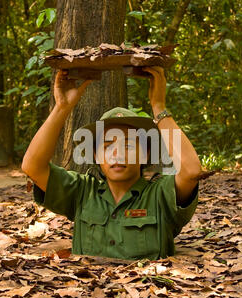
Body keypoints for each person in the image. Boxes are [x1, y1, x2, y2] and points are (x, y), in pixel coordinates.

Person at [21, 66, 203, 260]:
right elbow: (32, 166)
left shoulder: (160, 195)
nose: (117, 153)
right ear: (96, 155)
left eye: (128, 145)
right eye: (107, 146)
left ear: (145, 153)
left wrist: (158, 107)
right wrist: (62, 107)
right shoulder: (81, 192)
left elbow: (191, 171)